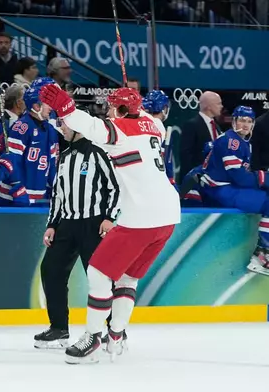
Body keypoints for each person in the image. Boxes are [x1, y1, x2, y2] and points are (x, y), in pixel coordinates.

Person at [39, 85, 181, 364]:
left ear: (118, 109)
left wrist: (65, 105)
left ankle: (93, 337)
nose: (107, 112)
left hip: (141, 217)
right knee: (128, 278)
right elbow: (125, 122)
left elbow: (88, 125)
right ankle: (115, 336)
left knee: (99, 273)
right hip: (169, 215)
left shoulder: (119, 130)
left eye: (110, 107)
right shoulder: (154, 125)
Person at [37, 116, 120, 349]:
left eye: (64, 124)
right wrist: (52, 224)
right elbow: (58, 194)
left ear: (76, 127)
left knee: (99, 278)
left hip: (93, 224)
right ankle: (59, 329)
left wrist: (109, 217)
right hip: (66, 224)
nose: (61, 128)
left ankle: (113, 330)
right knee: (51, 269)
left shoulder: (98, 152)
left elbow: (115, 185)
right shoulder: (63, 156)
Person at [199, 106, 269, 276]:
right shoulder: (232, 141)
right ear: (234, 121)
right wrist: (265, 178)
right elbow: (239, 177)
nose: (245, 124)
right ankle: (262, 255)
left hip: (225, 186)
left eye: (249, 121)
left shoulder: (242, 141)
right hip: (221, 189)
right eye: (242, 120)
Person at [0, 86, 59, 206]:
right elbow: (11, 162)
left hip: (38, 195)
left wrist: (56, 188)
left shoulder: (50, 129)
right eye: (48, 104)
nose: (51, 107)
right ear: (36, 106)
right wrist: (17, 188)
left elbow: (51, 164)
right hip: (11, 196)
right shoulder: (21, 127)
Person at [179, 91, 222, 182]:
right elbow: (185, 155)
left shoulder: (216, 126)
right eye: (219, 103)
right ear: (209, 106)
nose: (221, 106)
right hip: (197, 180)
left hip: (214, 179)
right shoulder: (192, 125)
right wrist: (194, 177)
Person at [142, 90, 175, 186]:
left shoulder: (142, 124)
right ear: (164, 108)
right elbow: (167, 161)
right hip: (158, 178)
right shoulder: (164, 130)